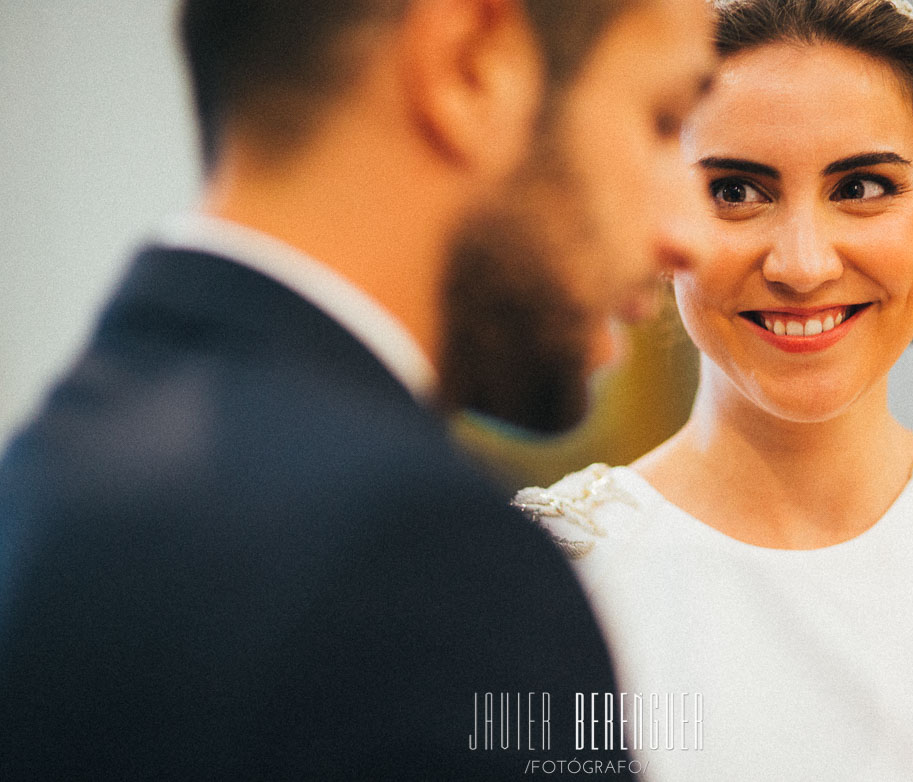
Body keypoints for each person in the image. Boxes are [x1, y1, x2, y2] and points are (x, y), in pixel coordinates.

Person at [0, 0, 715, 778]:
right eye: (660, 119)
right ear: (470, 67)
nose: (686, 235)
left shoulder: (41, 482)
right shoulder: (425, 562)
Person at [516, 1, 913, 779]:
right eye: (734, 190)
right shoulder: (538, 580)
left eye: (860, 185)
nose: (802, 265)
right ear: (663, 222)